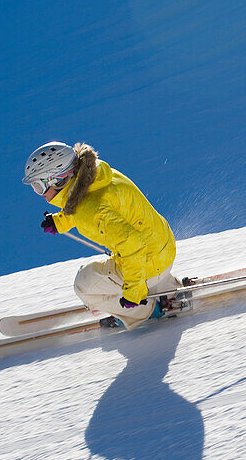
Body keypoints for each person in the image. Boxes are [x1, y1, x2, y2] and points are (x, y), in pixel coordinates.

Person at [23, 141, 178, 330]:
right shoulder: (96, 176)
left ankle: (146, 311)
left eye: (39, 187)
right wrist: (60, 221)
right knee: (118, 263)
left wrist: (134, 293)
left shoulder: (90, 210)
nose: (39, 194)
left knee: (84, 284)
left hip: (149, 261)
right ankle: (164, 288)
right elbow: (87, 203)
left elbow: (129, 242)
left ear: (59, 179)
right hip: (163, 247)